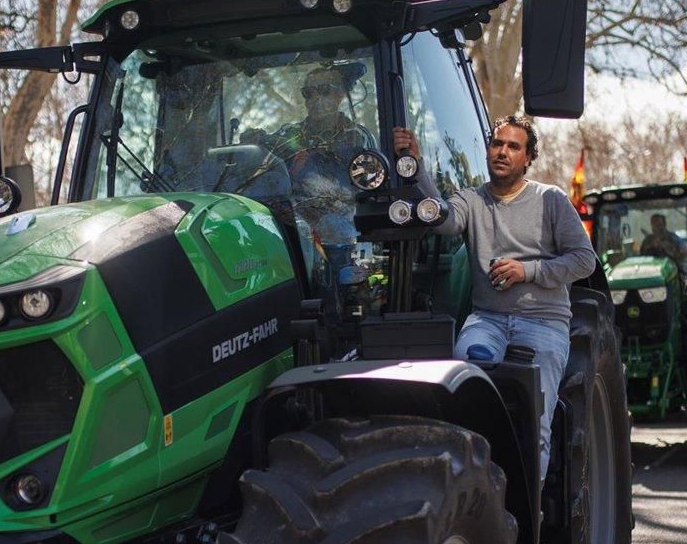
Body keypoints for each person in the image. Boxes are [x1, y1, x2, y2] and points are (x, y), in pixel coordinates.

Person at [405, 114, 597, 477]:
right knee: (463, 387)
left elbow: (585, 260)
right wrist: (414, 167)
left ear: (528, 158)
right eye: (497, 144)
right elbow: (441, 218)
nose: (503, 152)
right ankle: (477, 494)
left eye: (513, 146)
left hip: (543, 323)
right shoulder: (472, 200)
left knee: (536, 422)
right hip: (487, 321)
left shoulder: (551, 200)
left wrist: (529, 271)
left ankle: (530, 522)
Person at [243, 64, 376, 309]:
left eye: (324, 91)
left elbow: (366, 185)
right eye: (309, 93)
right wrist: (258, 140)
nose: (315, 99)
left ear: (339, 96)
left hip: (345, 235)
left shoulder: (357, 137)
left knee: (352, 305)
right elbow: (271, 159)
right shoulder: (290, 133)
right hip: (297, 231)